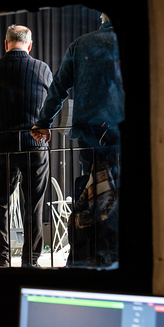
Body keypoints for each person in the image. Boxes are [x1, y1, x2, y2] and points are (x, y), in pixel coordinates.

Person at [34, 13, 124, 267]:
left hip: (90, 134)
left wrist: (43, 123)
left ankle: (94, 254)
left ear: (102, 16)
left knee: (93, 193)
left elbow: (58, 88)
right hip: (121, 131)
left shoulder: (81, 44)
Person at [0, 25, 53, 267]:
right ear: (30, 45)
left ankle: (2, 259)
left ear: (6, 44)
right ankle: (30, 261)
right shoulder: (42, 69)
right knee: (33, 205)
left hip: (3, 145)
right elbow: (50, 104)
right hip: (35, 144)